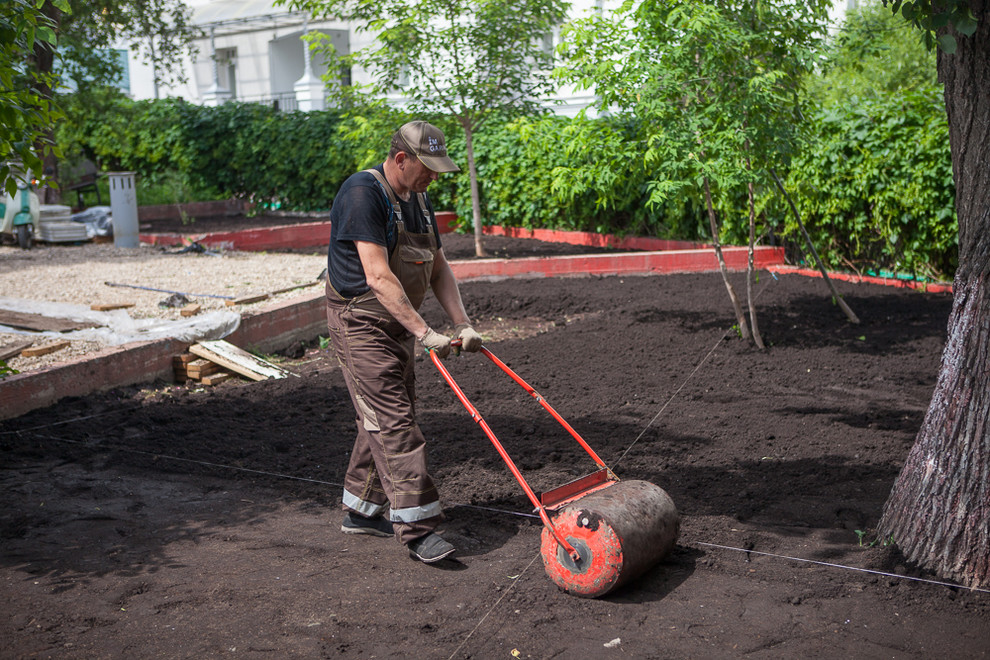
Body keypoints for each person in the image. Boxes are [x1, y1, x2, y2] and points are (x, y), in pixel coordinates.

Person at [324, 120, 484, 564]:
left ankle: (360, 510)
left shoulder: (419, 200)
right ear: (400, 159)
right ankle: (417, 528)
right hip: (360, 322)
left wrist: (461, 323)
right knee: (394, 421)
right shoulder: (363, 193)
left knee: (383, 415)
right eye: (427, 168)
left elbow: (436, 267)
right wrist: (425, 332)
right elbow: (376, 275)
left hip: (395, 324)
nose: (434, 176)